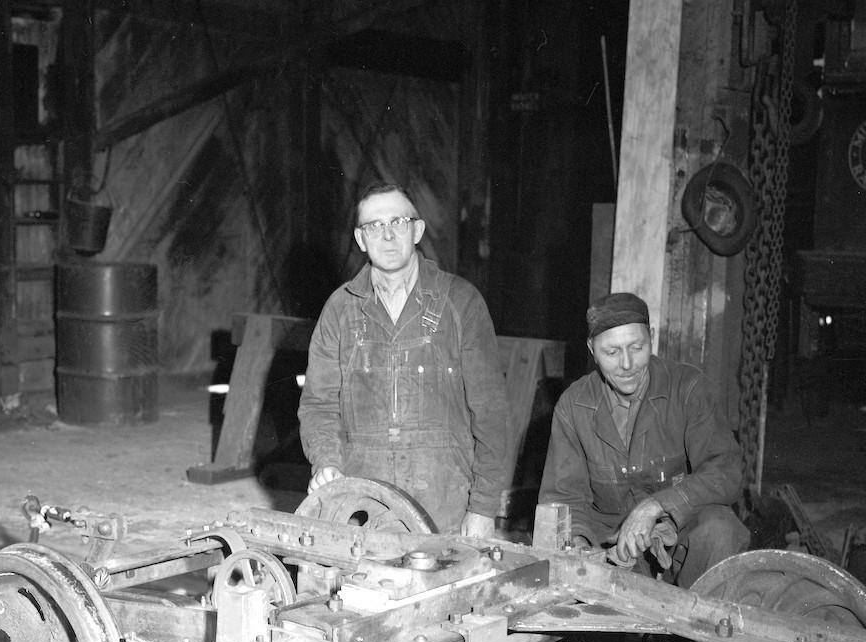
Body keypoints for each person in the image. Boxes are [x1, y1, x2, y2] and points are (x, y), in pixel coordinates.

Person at [298, 182, 509, 537]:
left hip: (445, 504)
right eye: (374, 226)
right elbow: (319, 404)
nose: (388, 235)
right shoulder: (339, 309)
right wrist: (327, 463)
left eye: (398, 222)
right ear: (361, 239)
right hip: (364, 506)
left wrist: (483, 507)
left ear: (417, 230)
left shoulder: (461, 302)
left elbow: (491, 412)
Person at [538, 292, 749, 587]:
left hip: (679, 544)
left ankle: (698, 627)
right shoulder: (574, 407)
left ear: (651, 338)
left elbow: (726, 472)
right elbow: (564, 498)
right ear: (592, 350)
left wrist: (657, 505)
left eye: (637, 347)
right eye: (611, 353)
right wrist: (581, 549)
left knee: (720, 529)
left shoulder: (688, 389)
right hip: (611, 549)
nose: (627, 364)